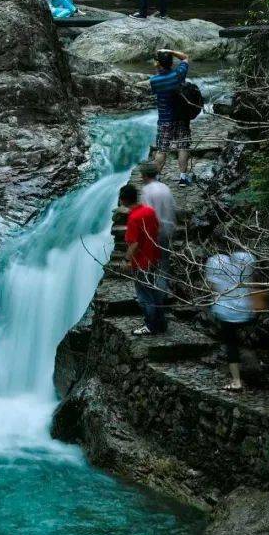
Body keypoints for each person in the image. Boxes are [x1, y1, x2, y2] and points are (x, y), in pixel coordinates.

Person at [204, 244, 257, 392]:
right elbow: (252, 281)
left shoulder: (214, 261)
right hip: (246, 308)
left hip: (225, 311)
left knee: (231, 345)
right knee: (248, 340)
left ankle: (237, 381)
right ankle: (255, 367)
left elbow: (213, 287)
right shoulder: (248, 259)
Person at [121, 182, 167, 335]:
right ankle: (161, 323)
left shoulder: (133, 218)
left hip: (141, 262)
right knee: (153, 291)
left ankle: (151, 326)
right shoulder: (149, 211)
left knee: (144, 296)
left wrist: (126, 260)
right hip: (154, 258)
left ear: (123, 200)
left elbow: (134, 243)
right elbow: (157, 229)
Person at [149, 49, 194, 185]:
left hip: (164, 120)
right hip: (182, 117)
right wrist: (170, 51)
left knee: (162, 149)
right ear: (170, 62)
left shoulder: (154, 81)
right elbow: (185, 57)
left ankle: (156, 178)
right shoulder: (178, 74)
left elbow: (157, 88)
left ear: (158, 64)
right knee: (183, 146)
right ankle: (182, 178)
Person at [139, 159, 177, 283]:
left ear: (144, 175)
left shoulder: (147, 191)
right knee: (164, 262)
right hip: (168, 229)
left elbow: (148, 214)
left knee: (150, 262)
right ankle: (164, 289)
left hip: (155, 231)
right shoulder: (165, 187)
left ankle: (154, 292)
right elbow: (173, 208)